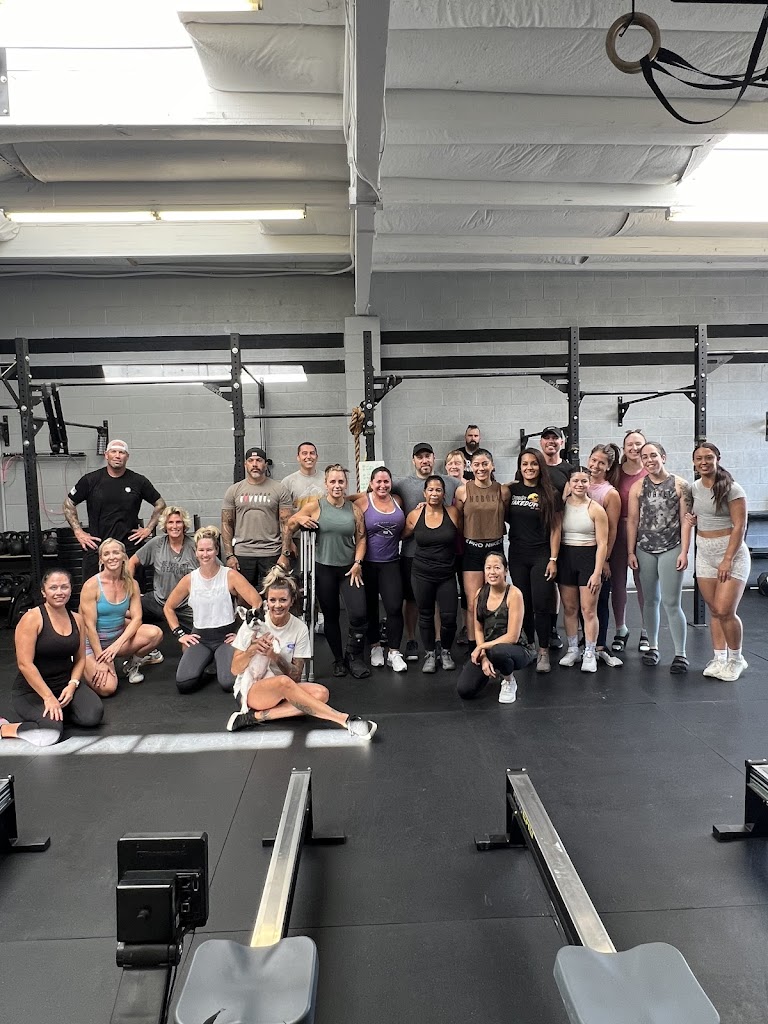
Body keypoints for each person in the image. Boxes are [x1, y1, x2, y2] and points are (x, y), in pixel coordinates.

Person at [226, 568, 377, 739]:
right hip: (252, 689)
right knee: (283, 682)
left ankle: (254, 717)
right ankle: (345, 720)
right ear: (267, 603)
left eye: (283, 600)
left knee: (321, 693)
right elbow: (234, 669)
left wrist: (274, 656)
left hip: (283, 687)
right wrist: (252, 649)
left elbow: (296, 676)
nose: (277, 605)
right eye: (273, 600)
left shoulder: (300, 628)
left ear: (291, 601)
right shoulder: (251, 625)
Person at [284, 464, 369, 679]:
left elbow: (361, 538)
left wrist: (358, 562)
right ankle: (338, 659)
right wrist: (298, 522)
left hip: (349, 569)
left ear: (346, 484)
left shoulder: (354, 510)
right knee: (331, 616)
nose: (337, 485)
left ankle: (353, 655)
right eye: (333, 481)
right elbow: (290, 524)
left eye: (341, 481)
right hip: (324, 569)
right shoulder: (315, 506)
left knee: (359, 614)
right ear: (326, 483)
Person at [0, 569, 103, 746]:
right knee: (51, 734)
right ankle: (4, 728)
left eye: (64, 587)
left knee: (92, 716)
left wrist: (72, 685)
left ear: (71, 589)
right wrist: (48, 697)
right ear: (43, 591)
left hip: (64, 686)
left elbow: (80, 659)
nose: (59, 592)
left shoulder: (77, 619)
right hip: (33, 691)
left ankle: (56, 715)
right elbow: (25, 664)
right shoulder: (32, 618)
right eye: (53, 587)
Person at [164, 525, 261, 693]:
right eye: (201, 550)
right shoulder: (190, 579)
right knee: (184, 684)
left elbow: (257, 602)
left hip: (225, 637)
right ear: (195, 552)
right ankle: (209, 663)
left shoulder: (230, 575)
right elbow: (168, 607)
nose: (205, 554)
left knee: (229, 683)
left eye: (209, 549)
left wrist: (242, 633)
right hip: (200, 638)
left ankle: (220, 661)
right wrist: (180, 634)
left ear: (216, 550)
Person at [627, 442, 693, 674]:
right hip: (645, 549)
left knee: (671, 602)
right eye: (644, 457)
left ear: (663, 457)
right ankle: (653, 647)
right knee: (650, 600)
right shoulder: (637, 487)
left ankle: (680, 654)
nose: (649, 460)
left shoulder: (680, 485)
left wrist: (684, 551)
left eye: (653, 455)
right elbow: (632, 520)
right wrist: (630, 551)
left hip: (671, 547)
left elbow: (686, 520)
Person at [392, 443, 460, 661]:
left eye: (427, 456)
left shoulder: (449, 481)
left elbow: (468, 488)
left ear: (433, 458)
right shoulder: (402, 484)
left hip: (441, 555)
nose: (424, 460)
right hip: (413, 554)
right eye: (420, 457)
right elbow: (377, 489)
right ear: (413, 460)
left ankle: (438, 642)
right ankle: (412, 639)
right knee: (413, 601)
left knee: (441, 603)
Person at [63, 438, 166, 580]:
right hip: (97, 547)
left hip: (128, 548)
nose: (117, 456)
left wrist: (148, 529)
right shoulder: (90, 480)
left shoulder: (139, 481)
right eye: (113, 452)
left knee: (132, 589)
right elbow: (68, 504)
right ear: (106, 455)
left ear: (127, 457)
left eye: (121, 452)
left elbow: (161, 505)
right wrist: (78, 532)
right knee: (93, 591)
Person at [690, 443, 750, 681]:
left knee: (726, 610)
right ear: (694, 463)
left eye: (708, 457)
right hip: (704, 553)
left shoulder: (733, 489)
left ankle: (736, 659)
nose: (703, 462)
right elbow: (700, 515)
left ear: (717, 459)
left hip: (730, 554)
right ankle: (719, 658)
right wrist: (692, 519)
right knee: (715, 610)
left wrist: (727, 559)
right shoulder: (695, 488)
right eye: (699, 458)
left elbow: (740, 526)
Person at [80, 538, 164, 692]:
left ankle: (131, 665)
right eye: (106, 554)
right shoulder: (91, 585)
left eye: (116, 552)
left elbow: (137, 618)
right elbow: (89, 626)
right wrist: (100, 658)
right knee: (108, 689)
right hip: (93, 645)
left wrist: (116, 645)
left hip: (116, 641)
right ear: (101, 559)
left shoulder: (132, 584)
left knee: (155, 633)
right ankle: (82, 662)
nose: (112, 557)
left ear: (124, 556)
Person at [505, 448, 562, 674]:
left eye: (533, 463)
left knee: (541, 603)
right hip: (518, 554)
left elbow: (556, 529)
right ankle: (528, 646)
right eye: (525, 464)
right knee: (523, 603)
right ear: (520, 467)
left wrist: (553, 558)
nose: (529, 467)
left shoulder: (550, 493)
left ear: (540, 466)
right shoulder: (512, 490)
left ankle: (543, 650)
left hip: (541, 554)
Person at [456, 551, 534, 704]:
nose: (492, 572)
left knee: (499, 651)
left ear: (506, 571)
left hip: (517, 649)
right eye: (488, 568)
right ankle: (492, 668)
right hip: (490, 650)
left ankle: (509, 681)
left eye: (497, 568)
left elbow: (512, 637)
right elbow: (478, 629)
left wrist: (481, 647)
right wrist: (484, 657)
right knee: (465, 690)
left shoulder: (514, 594)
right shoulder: (480, 594)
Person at [402, 475, 462, 673]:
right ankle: (429, 653)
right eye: (430, 490)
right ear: (424, 493)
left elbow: (462, 533)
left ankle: (445, 651)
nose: (434, 493)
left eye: (438, 490)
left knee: (449, 617)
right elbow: (402, 535)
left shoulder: (453, 513)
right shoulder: (415, 515)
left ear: (444, 493)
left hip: (446, 575)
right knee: (426, 615)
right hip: (421, 574)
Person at [355, 466, 408, 673]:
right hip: (368, 564)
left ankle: (394, 652)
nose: (382, 485)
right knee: (370, 608)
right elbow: (343, 503)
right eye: (378, 481)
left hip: (391, 563)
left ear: (391, 483)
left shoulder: (398, 501)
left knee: (394, 607)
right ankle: (375, 647)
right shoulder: (363, 501)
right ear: (371, 483)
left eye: (386, 481)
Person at [557, 468, 609, 673]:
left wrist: (597, 573)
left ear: (589, 483)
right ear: (569, 484)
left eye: (584, 481)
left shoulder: (596, 509)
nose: (579, 485)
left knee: (588, 610)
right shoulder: (561, 507)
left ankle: (589, 652)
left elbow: (602, 544)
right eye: (575, 481)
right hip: (566, 558)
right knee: (570, 609)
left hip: (588, 559)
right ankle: (572, 649)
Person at [221, 446, 293, 590]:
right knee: (243, 598)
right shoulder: (234, 490)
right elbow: (226, 523)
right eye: (251, 460)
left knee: (273, 596)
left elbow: (287, 523)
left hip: (272, 553)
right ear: (245, 464)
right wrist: (229, 556)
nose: (255, 464)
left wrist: (285, 554)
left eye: (259, 460)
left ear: (265, 464)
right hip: (242, 554)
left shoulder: (279, 489)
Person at [128, 505, 198, 634]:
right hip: (158, 601)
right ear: (165, 525)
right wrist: (131, 589)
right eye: (170, 522)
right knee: (122, 612)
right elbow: (131, 562)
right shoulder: (157, 543)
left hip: (185, 607)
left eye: (178, 522)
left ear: (184, 525)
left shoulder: (195, 546)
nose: (174, 526)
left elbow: (216, 569)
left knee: (201, 636)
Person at [455, 449, 510, 611]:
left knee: (496, 601)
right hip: (472, 550)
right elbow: (458, 519)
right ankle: (473, 630)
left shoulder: (503, 491)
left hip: (495, 548)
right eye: (476, 464)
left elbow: (507, 515)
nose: (481, 468)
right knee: (473, 603)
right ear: (471, 467)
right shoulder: (462, 491)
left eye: (485, 464)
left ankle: (495, 629)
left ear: (492, 466)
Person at [610, 429, 649, 655]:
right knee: (617, 584)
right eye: (630, 444)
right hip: (618, 532)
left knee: (643, 583)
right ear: (624, 448)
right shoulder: (615, 472)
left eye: (638, 444)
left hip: (643, 533)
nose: (634, 448)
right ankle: (620, 629)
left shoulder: (650, 471)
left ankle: (646, 629)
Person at [587, 444, 624, 669]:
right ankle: (587, 642)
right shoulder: (579, 484)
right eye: (593, 460)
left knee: (599, 600)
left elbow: (612, 530)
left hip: (599, 554)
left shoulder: (610, 494)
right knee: (583, 602)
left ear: (608, 466)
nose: (595, 465)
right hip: (578, 551)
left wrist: (606, 560)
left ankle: (600, 645)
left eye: (601, 462)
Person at [539, 426, 572, 649]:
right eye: (547, 438)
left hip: (561, 534)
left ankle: (553, 629)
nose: (551, 441)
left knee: (558, 585)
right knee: (541, 587)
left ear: (562, 442)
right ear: (541, 443)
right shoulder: (534, 466)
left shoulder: (569, 470)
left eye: (555, 438)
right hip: (536, 536)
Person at [445, 449, 469, 644]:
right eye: (451, 463)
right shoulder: (440, 488)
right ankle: (444, 632)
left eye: (457, 463)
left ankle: (467, 627)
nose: (454, 466)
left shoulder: (470, 487)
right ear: (446, 467)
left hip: (466, 545)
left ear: (464, 465)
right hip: (445, 546)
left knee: (467, 590)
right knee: (446, 591)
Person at [281, 441, 326, 509]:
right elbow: (284, 510)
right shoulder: (288, 482)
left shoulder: (327, 478)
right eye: (304, 453)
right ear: (298, 457)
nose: (309, 456)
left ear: (317, 457)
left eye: (312, 453)